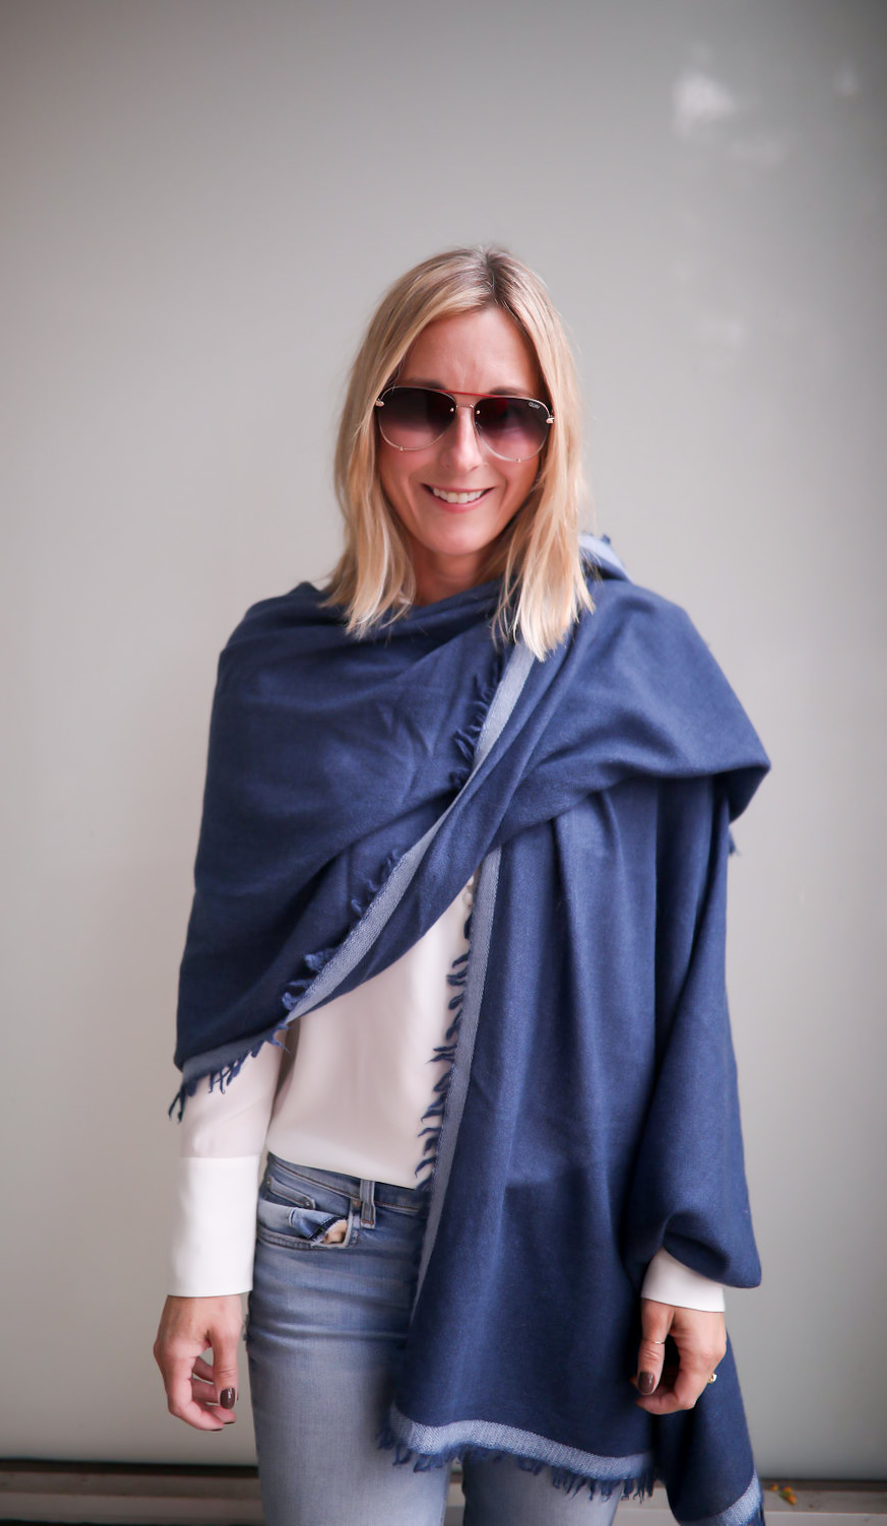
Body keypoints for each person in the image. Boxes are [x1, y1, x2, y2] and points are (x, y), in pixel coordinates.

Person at [153, 247, 770, 1526]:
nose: (462, 450)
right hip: (322, 1239)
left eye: (505, 414)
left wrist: (686, 1266)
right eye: (422, 406)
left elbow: (683, 989)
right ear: (369, 422)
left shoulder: (634, 667)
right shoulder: (280, 669)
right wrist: (205, 1259)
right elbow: (241, 989)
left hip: (560, 1245)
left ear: (551, 436)